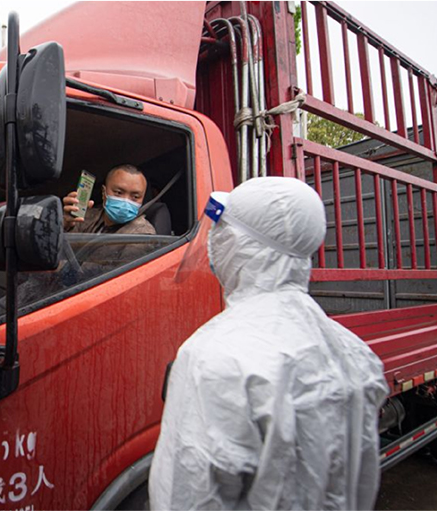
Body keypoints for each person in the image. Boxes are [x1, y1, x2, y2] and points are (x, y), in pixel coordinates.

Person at [149, 177, 389, 510]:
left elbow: (185, 497)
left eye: (220, 233)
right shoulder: (354, 353)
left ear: (237, 244)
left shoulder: (213, 357)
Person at [62, 164, 156, 235]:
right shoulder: (87, 216)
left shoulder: (142, 234)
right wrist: (65, 224)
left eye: (135, 197)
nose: (125, 201)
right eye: (119, 193)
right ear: (104, 192)